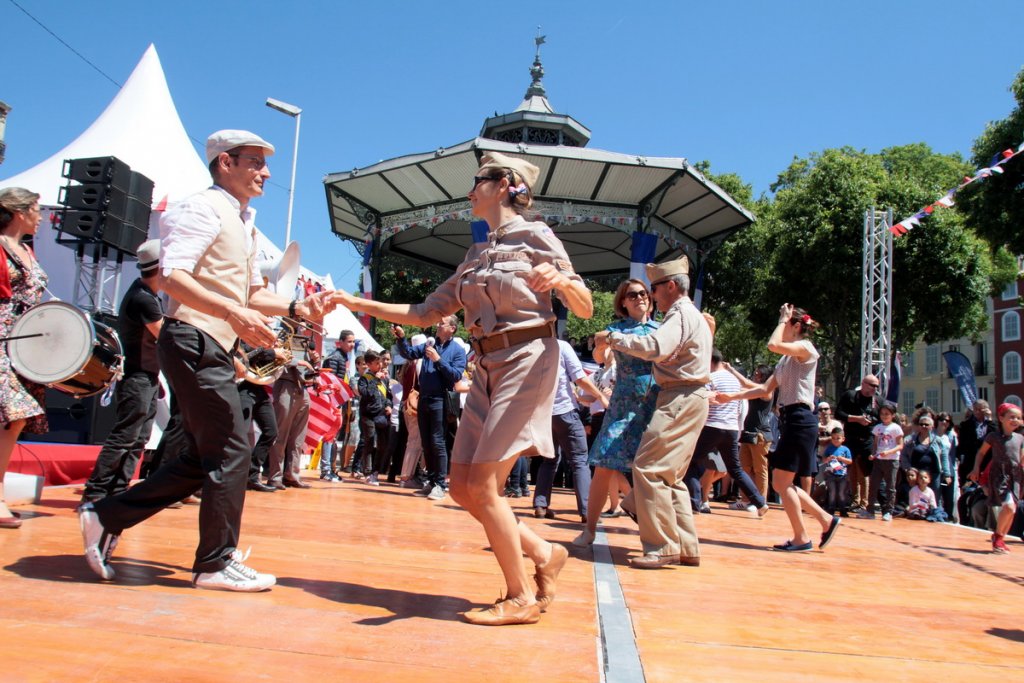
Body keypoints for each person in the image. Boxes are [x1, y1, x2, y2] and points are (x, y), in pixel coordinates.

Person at [335, 151, 590, 625]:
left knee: (485, 485)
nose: (470, 190)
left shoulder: (538, 235)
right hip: (487, 364)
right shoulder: (475, 254)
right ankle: (543, 552)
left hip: (528, 358)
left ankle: (519, 599)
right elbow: (423, 313)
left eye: (478, 181)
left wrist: (561, 281)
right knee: (460, 486)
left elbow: (586, 304)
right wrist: (353, 301)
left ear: (505, 183)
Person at [78, 129, 335, 590]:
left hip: (211, 344)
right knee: (234, 448)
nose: (266, 172)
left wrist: (298, 308)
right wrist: (233, 311)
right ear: (225, 164)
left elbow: (253, 293)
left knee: (204, 456)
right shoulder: (200, 208)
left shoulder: (243, 222)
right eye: (255, 162)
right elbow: (173, 277)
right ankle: (214, 564)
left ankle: (105, 516)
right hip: (193, 339)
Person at [594, 257, 713, 568]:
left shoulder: (678, 314)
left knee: (646, 468)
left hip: (679, 397)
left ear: (670, 286)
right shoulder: (692, 315)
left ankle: (662, 546)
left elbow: (656, 348)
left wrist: (614, 338)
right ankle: (686, 546)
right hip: (691, 398)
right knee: (669, 476)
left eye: (654, 289)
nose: (650, 296)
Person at [713, 304, 840, 552]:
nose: (781, 328)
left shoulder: (805, 348)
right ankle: (821, 523)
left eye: (785, 324)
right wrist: (731, 397)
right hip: (793, 420)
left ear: (794, 326)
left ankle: (807, 533)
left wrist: (782, 319)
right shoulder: (786, 360)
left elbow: (772, 344)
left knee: (781, 482)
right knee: (783, 482)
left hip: (801, 419)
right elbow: (763, 390)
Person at [573, 279, 658, 547]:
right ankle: (589, 528)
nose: (639, 298)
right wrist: (601, 343)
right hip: (621, 405)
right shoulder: (615, 330)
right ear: (623, 301)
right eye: (632, 295)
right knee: (604, 464)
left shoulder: (661, 329)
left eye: (643, 293)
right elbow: (600, 354)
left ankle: (656, 535)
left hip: (654, 404)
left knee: (653, 472)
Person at [82, 240, 165, 503]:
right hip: (138, 376)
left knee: (138, 437)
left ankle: (117, 492)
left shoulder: (147, 295)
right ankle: (95, 494)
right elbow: (164, 335)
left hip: (146, 376)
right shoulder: (143, 298)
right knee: (125, 436)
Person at [0, 187, 48, 530]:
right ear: (19, 212)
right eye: (36, 209)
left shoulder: (28, 250)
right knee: (12, 415)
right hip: (1, 335)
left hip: (23, 342)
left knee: (13, 420)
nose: (41, 216)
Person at [532, 338, 608, 522]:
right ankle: (587, 510)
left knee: (549, 460)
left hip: (543, 413)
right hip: (565, 411)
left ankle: (541, 505)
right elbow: (579, 378)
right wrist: (601, 397)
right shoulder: (562, 346)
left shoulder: (530, 347)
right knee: (580, 460)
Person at [393, 314, 466, 500]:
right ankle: (432, 482)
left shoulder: (457, 350)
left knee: (437, 441)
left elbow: (456, 376)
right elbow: (408, 353)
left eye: (442, 323)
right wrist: (401, 338)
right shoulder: (429, 344)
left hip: (440, 399)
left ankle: (440, 485)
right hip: (424, 398)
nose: (437, 325)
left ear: (452, 329)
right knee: (426, 442)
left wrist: (438, 360)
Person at [968, 403, 1023, 554]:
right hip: (1000, 476)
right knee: (1009, 507)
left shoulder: (1020, 438)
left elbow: (1022, 459)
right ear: (1001, 418)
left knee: (1012, 510)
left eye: (1018, 418)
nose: (1015, 420)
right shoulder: (994, 436)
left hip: (1016, 477)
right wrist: (976, 468)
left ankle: (999, 537)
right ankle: (998, 537)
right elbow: (981, 453)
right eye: (1011, 417)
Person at [835, 376, 879, 513]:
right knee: (852, 470)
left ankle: (864, 503)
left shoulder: (877, 401)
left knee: (865, 472)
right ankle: (855, 500)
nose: (874, 388)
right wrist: (856, 419)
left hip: (867, 439)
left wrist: (870, 422)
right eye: (872, 385)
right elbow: (838, 413)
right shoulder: (850, 396)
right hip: (851, 438)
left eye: (876, 386)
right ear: (863, 384)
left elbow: (883, 417)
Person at [859, 402, 904, 522]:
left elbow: (900, 445)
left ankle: (888, 511)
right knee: (873, 485)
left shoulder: (896, 428)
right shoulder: (878, 428)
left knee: (890, 487)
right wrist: (872, 454)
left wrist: (889, 452)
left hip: (891, 460)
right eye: (882, 414)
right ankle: (870, 510)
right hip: (879, 460)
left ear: (893, 415)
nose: (884, 416)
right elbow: (875, 444)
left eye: (887, 414)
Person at [357, 349, 392, 486]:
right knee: (370, 442)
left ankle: (376, 471)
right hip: (368, 415)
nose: (380, 365)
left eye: (380, 362)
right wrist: (375, 379)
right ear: (370, 364)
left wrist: (388, 405)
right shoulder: (365, 379)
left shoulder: (385, 379)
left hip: (382, 415)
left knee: (383, 444)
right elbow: (366, 393)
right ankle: (368, 472)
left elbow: (388, 396)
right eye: (377, 363)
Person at [958, 399, 996, 485]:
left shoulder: (992, 424)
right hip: (970, 462)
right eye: (975, 409)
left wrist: (989, 419)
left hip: (988, 461)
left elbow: (994, 437)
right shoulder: (965, 425)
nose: (977, 412)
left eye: (980, 409)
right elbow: (962, 445)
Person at [821, 427, 852, 515]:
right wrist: (828, 458)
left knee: (842, 493)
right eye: (833, 438)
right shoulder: (829, 448)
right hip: (831, 474)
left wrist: (842, 459)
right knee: (832, 492)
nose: (835, 440)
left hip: (842, 475)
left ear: (843, 439)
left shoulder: (845, 449)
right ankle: (831, 508)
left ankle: (842, 509)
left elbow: (850, 461)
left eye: (838, 438)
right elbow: (824, 460)